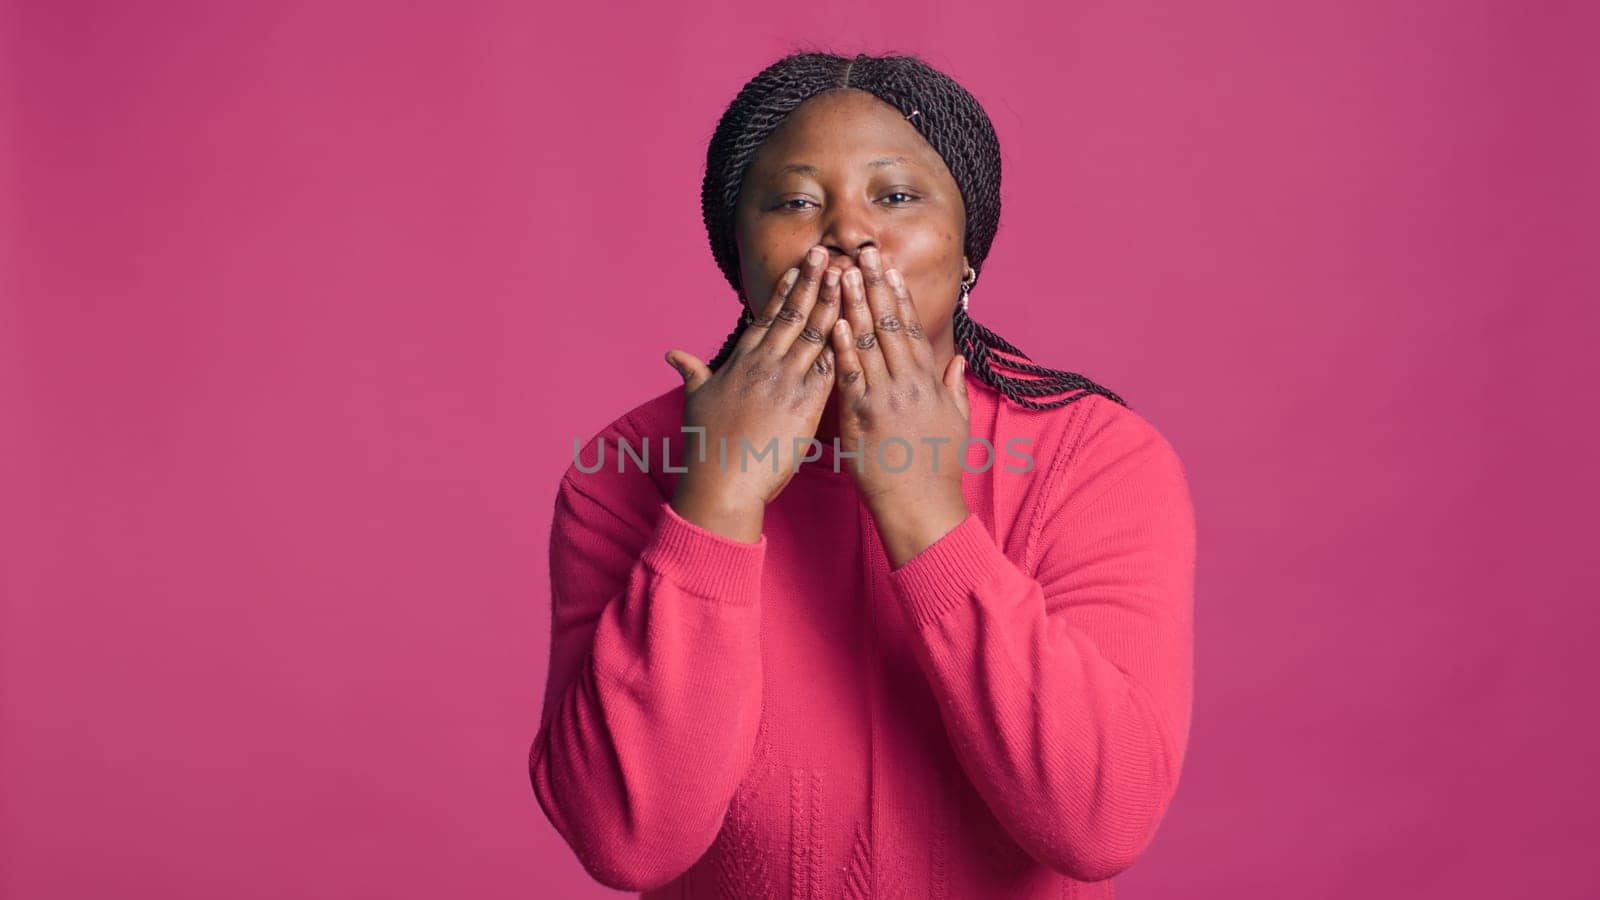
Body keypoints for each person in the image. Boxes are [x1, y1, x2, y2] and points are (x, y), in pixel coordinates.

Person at [529, 51, 1196, 899]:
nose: (848, 231)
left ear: (969, 248)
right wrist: (718, 499)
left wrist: (924, 505)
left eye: (896, 195)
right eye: (798, 201)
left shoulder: (1094, 457)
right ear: (739, 252)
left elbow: (1099, 823)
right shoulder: (626, 471)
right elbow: (630, 841)